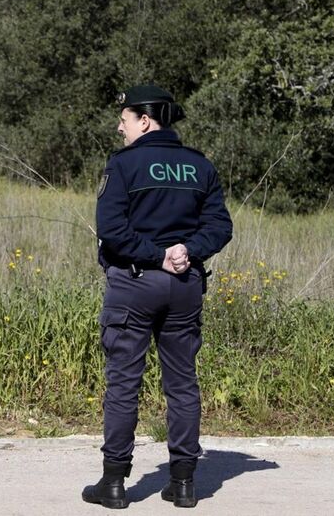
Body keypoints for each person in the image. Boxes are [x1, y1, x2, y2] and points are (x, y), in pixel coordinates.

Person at [82, 85, 233, 509]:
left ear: (145, 121)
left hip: (135, 284)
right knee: (183, 384)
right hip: (185, 286)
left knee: (124, 384)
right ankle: (183, 483)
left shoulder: (124, 164)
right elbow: (220, 226)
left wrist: (157, 255)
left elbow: (111, 229)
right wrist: (188, 251)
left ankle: (113, 484)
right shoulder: (199, 165)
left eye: (125, 119)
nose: (120, 126)